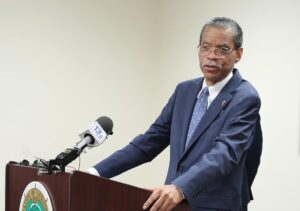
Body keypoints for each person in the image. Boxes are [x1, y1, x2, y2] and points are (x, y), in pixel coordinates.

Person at [88, 17, 262, 211]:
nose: (212, 55)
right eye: (205, 47)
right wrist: (94, 173)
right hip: (174, 204)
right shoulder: (184, 91)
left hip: (216, 206)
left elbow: (224, 154)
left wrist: (181, 187)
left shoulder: (245, 98)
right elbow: (150, 141)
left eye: (223, 49)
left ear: (238, 54)